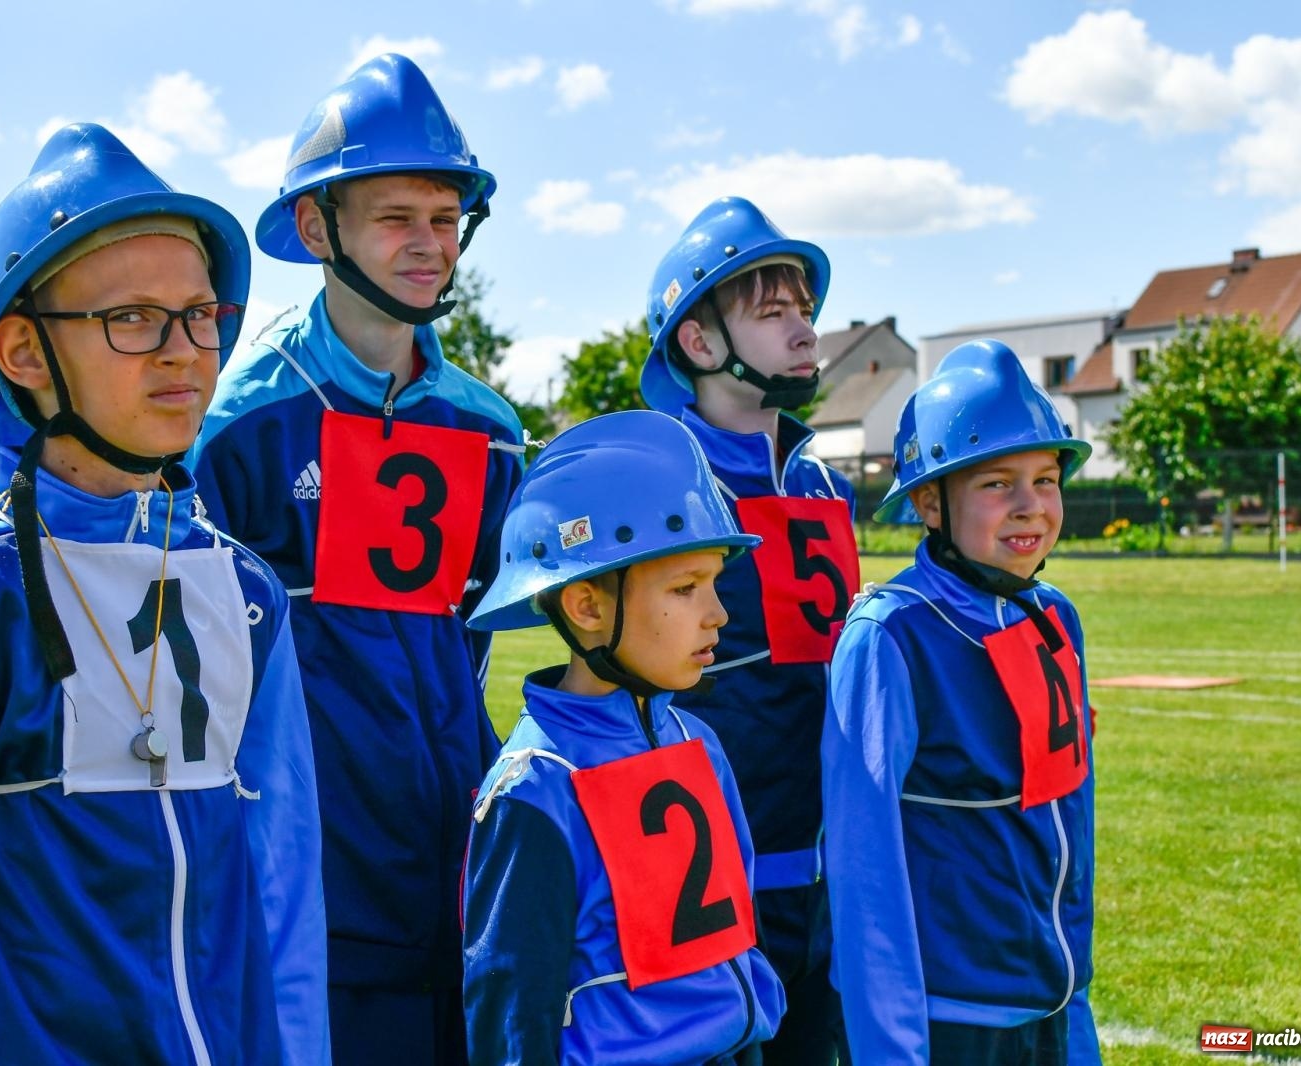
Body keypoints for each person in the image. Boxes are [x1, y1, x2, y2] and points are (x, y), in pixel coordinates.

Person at [0, 123, 329, 1065]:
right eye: (134, 318)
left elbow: (285, 895)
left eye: (201, 314)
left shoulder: (249, 591)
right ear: (23, 352)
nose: (187, 351)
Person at [190, 53, 524, 1064]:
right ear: (313, 227)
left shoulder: (493, 431)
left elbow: (466, 648)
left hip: (461, 864)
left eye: (444, 217)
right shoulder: (237, 428)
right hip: (313, 886)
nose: (430, 246)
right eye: (396, 218)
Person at [461, 409, 785, 1065]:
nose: (719, 613)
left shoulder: (698, 744)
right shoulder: (537, 787)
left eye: (715, 582)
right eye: (686, 587)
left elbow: (732, 950)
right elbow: (512, 1021)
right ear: (586, 606)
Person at [821, 339, 1100, 1065]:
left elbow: (1073, 817)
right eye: (996, 484)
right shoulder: (891, 636)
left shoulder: (1054, 616)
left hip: (1052, 1003)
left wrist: (1076, 1003)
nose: (1030, 505)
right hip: (951, 1019)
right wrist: (892, 1048)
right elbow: (863, 870)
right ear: (928, 502)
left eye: (1045, 479)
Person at [641, 196, 858, 1063]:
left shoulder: (824, 488)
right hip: (704, 886)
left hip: (827, 881)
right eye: (773, 313)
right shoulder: (657, 491)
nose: (804, 331)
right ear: (698, 343)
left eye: (805, 310)